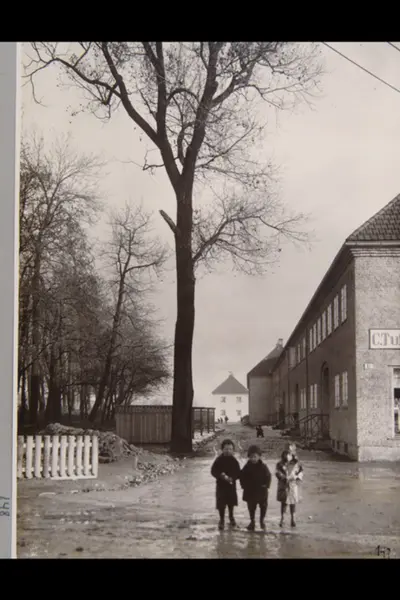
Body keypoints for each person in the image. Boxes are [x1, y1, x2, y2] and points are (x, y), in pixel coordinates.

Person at [211, 438, 241, 530]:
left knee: (231, 503)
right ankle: (221, 519)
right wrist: (221, 475)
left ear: (233, 450)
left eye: (230, 449)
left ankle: (231, 517)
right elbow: (213, 471)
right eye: (226, 449)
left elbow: (238, 473)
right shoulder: (218, 460)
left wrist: (233, 478)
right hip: (221, 486)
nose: (228, 451)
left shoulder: (234, 461)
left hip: (231, 486)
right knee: (221, 504)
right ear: (222, 449)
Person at [240, 445, 271, 531]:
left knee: (263, 506)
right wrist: (243, 486)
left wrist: (266, 485)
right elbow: (242, 476)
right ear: (249, 457)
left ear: (259, 457)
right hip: (250, 491)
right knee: (251, 507)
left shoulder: (263, 466)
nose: (253, 459)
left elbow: (268, 476)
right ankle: (252, 521)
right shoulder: (246, 467)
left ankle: (262, 521)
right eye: (251, 457)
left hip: (261, 491)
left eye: (255, 457)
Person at [275, 449, 303, 528]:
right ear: (283, 455)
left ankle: (293, 519)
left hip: (293, 485)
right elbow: (277, 472)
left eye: (290, 455)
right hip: (283, 485)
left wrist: (297, 477)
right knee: (284, 502)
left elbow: (300, 472)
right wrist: (283, 477)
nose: (288, 456)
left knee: (293, 502)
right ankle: (283, 518)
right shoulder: (280, 464)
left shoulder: (296, 464)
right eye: (286, 455)